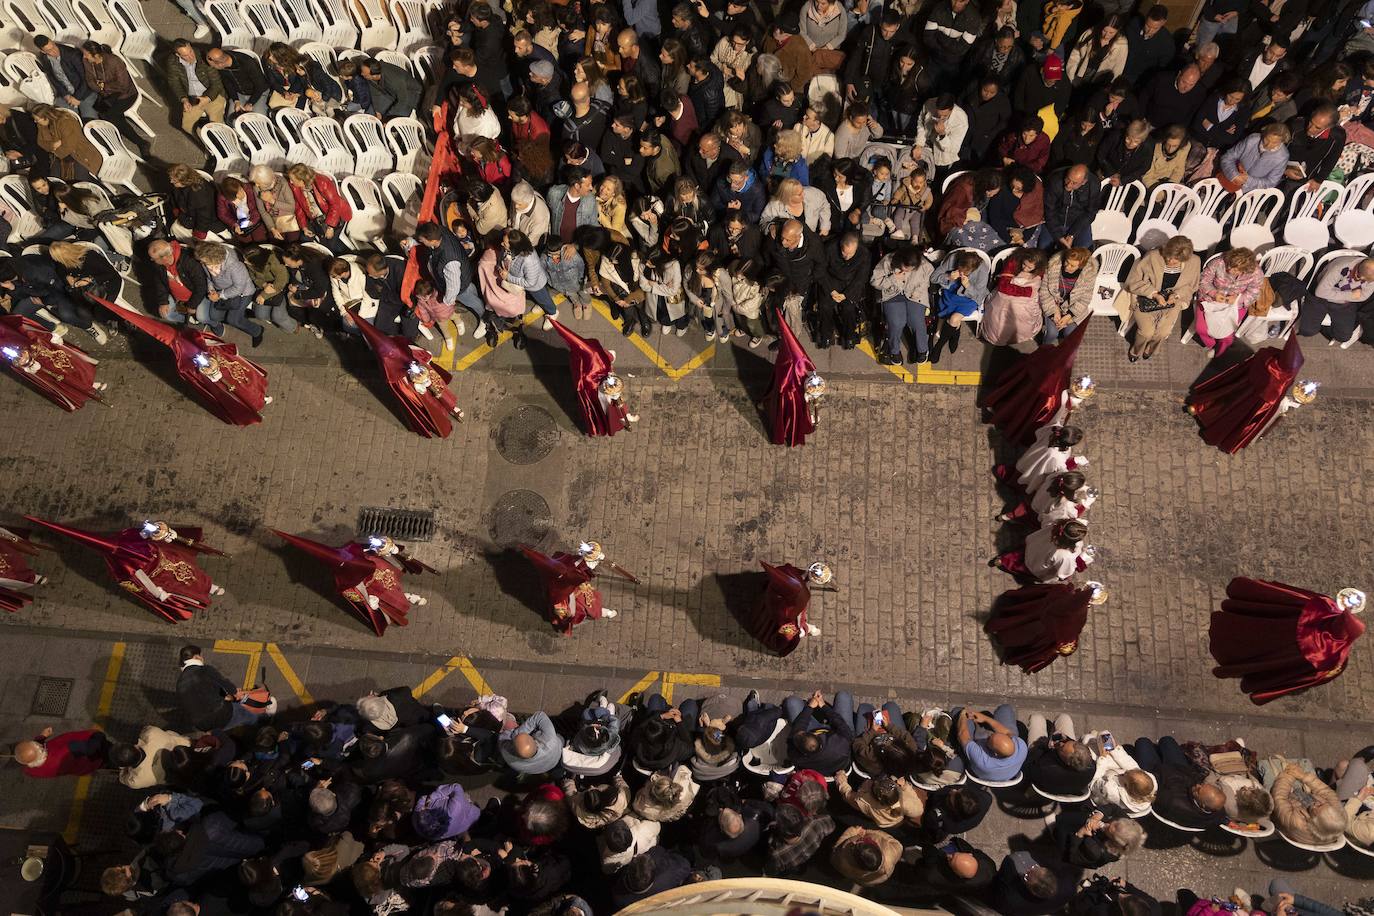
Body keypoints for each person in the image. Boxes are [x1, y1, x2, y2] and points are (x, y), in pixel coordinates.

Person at [25, 516, 225, 623]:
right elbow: (140, 579)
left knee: (193, 572)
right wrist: (158, 593)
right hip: (160, 576)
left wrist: (161, 531)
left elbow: (145, 532)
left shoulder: (126, 538)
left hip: (167, 557)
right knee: (185, 587)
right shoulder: (122, 563)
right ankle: (201, 594)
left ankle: (210, 585)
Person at [1210, 579, 1365, 705]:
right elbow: (1306, 678)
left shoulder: (1324, 607)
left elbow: (1288, 596)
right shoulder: (1335, 660)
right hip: (1271, 650)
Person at [272, 530, 433, 635]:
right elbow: (357, 597)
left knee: (395, 581)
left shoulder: (350, 552)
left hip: (381, 568)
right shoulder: (343, 581)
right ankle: (407, 597)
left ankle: (406, 595)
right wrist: (371, 604)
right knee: (393, 598)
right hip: (373, 587)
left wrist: (388, 548)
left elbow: (374, 546)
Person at [349, 310, 465, 439]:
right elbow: (399, 385)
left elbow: (415, 350)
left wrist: (425, 357)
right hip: (414, 385)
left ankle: (452, 407)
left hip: (424, 371)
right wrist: (417, 387)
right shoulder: (387, 367)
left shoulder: (397, 342)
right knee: (430, 402)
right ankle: (440, 416)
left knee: (440, 389)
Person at [0, 314, 106, 412]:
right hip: (26, 360)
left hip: (35, 345)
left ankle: (87, 383)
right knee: (56, 375)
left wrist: (46, 337)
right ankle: (83, 389)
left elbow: (18, 328)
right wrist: (22, 365)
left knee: (68, 363)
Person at [985, 583, 1099, 673]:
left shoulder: (1061, 591)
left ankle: (1002, 631)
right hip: (1040, 632)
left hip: (1035, 619)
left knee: (1016, 627)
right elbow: (1072, 634)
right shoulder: (1078, 618)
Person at [550, 319, 637, 435]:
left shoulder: (583, 358)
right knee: (607, 408)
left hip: (602, 389)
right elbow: (608, 359)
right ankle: (617, 419)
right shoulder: (594, 354)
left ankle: (616, 419)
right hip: (600, 392)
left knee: (608, 407)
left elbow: (581, 380)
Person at [519, 543, 621, 636]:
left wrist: (592, 557)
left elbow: (577, 564)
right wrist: (571, 595)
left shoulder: (565, 565)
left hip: (572, 587)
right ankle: (601, 612)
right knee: (588, 607)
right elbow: (569, 612)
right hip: (569, 598)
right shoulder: (559, 593)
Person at [177, 644, 271, 730]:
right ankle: (265, 720)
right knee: (244, 714)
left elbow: (204, 693)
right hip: (220, 714)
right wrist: (233, 693)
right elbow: (226, 686)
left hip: (202, 725)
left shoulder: (179, 683)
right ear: (196, 657)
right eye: (201, 656)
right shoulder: (205, 670)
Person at [81, 41, 151, 156]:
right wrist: (101, 88)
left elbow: (123, 85)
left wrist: (104, 86)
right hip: (106, 96)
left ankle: (141, 142)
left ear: (95, 55)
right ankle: (120, 136)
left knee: (112, 115)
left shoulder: (114, 61)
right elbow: (90, 81)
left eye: (86, 54)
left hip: (125, 95)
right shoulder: (87, 62)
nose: (84, 56)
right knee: (107, 114)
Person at [1194, 247, 1262, 358]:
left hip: (1235, 305)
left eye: (1235, 270)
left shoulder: (1256, 273)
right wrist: (1214, 293)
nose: (1229, 269)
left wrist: (1238, 299)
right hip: (1210, 299)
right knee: (1201, 328)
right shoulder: (1218, 262)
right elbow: (1203, 280)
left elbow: (1254, 293)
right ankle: (1212, 344)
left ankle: (1220, 351)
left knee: (1227, 336)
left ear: (1244, 270)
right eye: (1229, 265)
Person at [1299, 254, 1374, 345]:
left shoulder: (1371, 276)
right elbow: (1320, 292)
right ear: (1361, 278)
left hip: (1343, 302)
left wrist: (1343, 297)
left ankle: (1323, 327)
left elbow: (1364, 296)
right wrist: (1351, 295)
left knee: (1343, 337)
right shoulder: (1340, 267)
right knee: (1307, 331)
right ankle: (1316, 325)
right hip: (1321, 299)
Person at [991, 518, 1094, 583]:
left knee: (1022, 553)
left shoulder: (1057, 527)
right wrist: (1082, 559)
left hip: (1032, 547)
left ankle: (1003, 560)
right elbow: (1063, 573)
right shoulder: (1065, 555)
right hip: (1036, 564)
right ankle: (1006, 563)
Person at [981, 248, 1048, 346]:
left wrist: (1029, 289)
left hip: (1025, 296)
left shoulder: (1039, 269)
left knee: (1021, 312)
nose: (1025, 268)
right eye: (1024, 264)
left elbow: (1038, 283)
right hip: (1007, 293)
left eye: (1029, 267)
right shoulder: (1014, 261)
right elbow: (1003, 287)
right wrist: (1027, 291)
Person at [163, 39, 226, 134]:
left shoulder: (204, 57)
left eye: (191, 51)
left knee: (216, 124)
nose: (191, 56)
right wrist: (184, 99)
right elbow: (174, 83)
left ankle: (222, 136)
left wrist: (207, 98)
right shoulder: (172, 62)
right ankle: (203, 138)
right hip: (193, 99)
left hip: (212, 95)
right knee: (186, 126)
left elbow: (217, 84)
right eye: (186, 55)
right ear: (178, 55)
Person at [955, 704, 1027, 782]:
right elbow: (1007, 732)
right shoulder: (1021, 747)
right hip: (1004, 774)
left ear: (995, 754)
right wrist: (985, 718)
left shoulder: (981, 760)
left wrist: (962, 714)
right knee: (1005, 708)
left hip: (978, 768)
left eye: (989, 739)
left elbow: (962, 735)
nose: (990, 735)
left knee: (959, 713)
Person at [1039, 247, 1097, 344]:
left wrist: (1069, 316)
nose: (1067, 267)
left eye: (1072, 266)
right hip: (1052, 304)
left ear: (1080, 266)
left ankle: (1064, 350)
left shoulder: (1089, 275)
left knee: (1070, 333)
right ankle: (1044, 348)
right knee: (1052, 333)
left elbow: (1085, 299)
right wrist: (1054, 311)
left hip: (1073, 309)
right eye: (1066, 262)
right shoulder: (1052, 267)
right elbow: (1044, 292)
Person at [33, 35, 97, 121]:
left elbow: (87, 78)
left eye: (54, 46)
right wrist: (65, 95)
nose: (54, 51)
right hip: (67, 94)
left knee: (89, 120)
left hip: (85, 91)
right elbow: (53, 79)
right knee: (66, 119)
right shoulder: (45, 58)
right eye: (49, 50)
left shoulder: (72, 54)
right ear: (43, 51)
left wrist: (77, 97)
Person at [206, 46, 269, 116]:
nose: (213, 68)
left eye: (213, 66)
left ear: (220, 64)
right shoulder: (222, 62)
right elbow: (228, 83)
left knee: (258, 117)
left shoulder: (247, 62)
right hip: (240, 94)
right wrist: (236, 100)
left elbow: (260, 85)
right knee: (232, 117)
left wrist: (250, 103)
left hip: (259, 93)